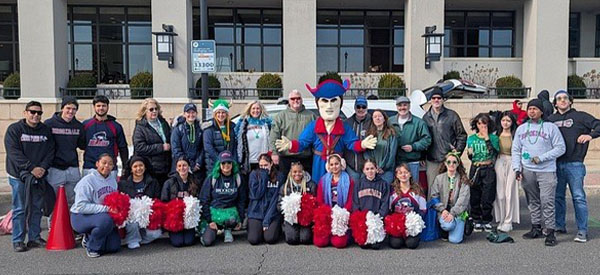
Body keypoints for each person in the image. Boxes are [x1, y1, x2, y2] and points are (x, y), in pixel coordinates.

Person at [275, 79, 377, 182]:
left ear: (340, 103)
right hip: (319, 165)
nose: (329, 106)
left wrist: (362, 144)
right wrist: (291, 145)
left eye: (333, 101)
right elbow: (303, 143)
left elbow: (352, 143)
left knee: (338, 191)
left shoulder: (343, 126)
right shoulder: (314, 126)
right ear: (318, 103)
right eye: (325, 101)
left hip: (337, 165)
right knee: (319, 188)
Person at [512, 98, 565, 246]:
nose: (532, 111)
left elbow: (561, 148)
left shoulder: (551, 127)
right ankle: (536, 227)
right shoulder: (522, 129)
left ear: (541, 111)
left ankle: (550, 232)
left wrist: (542, 158)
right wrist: (517, 168)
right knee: (532, 200)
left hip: (546, 171)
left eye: (535, 109)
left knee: (547, 201)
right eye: (530, 109)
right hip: (527, 170)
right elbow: (516, 149)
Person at [549, 90, 600, 243]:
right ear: (555, 103)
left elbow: (598, 125)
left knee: (578, 197)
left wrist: (590, 135)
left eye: (565, 98)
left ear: (570, 101)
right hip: (555, 164)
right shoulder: (550, 120)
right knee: (558, 197)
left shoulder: (581, 116)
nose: (562, 100)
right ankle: (559, 225)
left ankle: (582, 230)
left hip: (575, 164)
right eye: (559, 99)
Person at [4, 101, 55, 252]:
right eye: (32, 112)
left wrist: (42, 169)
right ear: (25, 113)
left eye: (39, 113)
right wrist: (31, 168)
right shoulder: (14, 130)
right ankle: (18, 240)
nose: (35, 115)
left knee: (37, 207)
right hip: (18, 176)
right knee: (20, 208)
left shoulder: (45, 131)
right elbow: (13, 153)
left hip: (39, 176)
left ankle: (34, 238)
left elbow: (50, 151)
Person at [70, 154, 120, 258]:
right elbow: (80, 206)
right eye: (104, 163)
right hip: (80, 216)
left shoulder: (113, 180)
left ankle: (89, 237)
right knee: (106, 221)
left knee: (114, 247)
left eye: (110, 164)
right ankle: (92, 247)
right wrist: (106, 209)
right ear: (97, 164)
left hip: (101, 216)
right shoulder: (87, 181)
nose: (107, 166)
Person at [423, 88, 467, 199]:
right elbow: (423, 139)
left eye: (439, 98)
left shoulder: (452, 116)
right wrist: (422, 156)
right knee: (432, 190)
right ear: (430, 100)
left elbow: (462, 135)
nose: (436, 100)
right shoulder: (425, 118)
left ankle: (449, 214)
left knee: (449, 189)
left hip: (448, 159)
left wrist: (457, 153)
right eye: (434, 98)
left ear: (443, 100)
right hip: (432, 159)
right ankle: (433, 215)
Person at [44, 96, 85, 206]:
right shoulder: (49, 124)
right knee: (54, 201)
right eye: (68, 108)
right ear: (62, 108)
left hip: (73, 168)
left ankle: (71, 223)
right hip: (55, 169)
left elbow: (83, 145)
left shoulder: (79, 126)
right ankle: (53, 224)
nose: (70, 111)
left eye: (74, 109)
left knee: (73, 201)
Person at [200, 151, 247, 246]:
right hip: (214, 213)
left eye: (229, 162)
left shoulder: (238, 178)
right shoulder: (212, 178)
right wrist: (209, 220)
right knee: (207, 242)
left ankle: (227, 229)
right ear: (219, 164)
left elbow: (242, 200)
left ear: (233, 164)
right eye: (223, 163)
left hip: (230, 214)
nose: (226, 165)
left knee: (232, 219)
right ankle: (209, 230)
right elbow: (204, 200)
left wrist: (240, 219)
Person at [118, 156, 162, 249]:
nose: (138, 168)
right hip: (132, 216)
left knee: (156, 234)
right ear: (131, 169)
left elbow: (157, 199)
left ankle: (141, 238)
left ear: (145, 167)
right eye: (135, 166)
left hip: (147, 215)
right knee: (133, 224)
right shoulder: (123, 183)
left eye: (141, 165)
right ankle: (133, 239)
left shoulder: (153, 182)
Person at [269, 89, 317, 176]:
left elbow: (317, 136)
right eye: (293, 98)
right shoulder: (281, 116)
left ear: (302, 100)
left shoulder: (311, 116)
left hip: (306, 158)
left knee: (306, 185)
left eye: (298, 98)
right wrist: (274, 153)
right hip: (286, 158)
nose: (296, 100)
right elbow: (274, 135)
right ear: (289, 101)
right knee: (286, 185)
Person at [466, 113, 499, 232]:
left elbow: (494, 152)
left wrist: (486, 138)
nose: (482, 126)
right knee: (475, 194)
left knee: (488, 194)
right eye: (479, 123)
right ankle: (476, 219)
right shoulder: (472, 138)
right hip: (476, 167)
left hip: (488, 166)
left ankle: (486, 219)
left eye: (484, 123)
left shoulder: (493, 138)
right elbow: (470, 155)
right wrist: (470, 154)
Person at [82, 95, 128, 178]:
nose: (101, 108)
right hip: (90, 167)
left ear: (108, 107)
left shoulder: (116, 126)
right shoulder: (86, 125)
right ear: (94, 107)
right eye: (98, 106)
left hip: (110, 168)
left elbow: (123, 148)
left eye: (104, 106)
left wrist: (125, 166)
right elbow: (81, 144)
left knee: (110, 191)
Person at [429, 152, 471, 244]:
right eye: (449, 162)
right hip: (444, 210)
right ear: (445, 163)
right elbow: (434, 196)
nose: (451, 164)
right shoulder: (439, 178)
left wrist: (453, 213)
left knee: (455, 240)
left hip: (458, 212)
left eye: (454, 162)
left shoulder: (463, 179)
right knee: (447, 225)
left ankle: (459, 226)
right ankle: (447, 229)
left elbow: (463, 200)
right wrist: (442, 210)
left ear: (458, 164)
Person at [389, 96, 431, 184]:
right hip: (396, 162)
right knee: (397, 189)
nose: (402, 108)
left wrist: (413, 147)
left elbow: (427, 139)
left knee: (413, 188)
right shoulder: (390, 122)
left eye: (405, 105)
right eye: (400, 105)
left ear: (409, 106)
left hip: (412, 162)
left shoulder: (419, 122)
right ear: (396, 107)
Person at [314, 154, 354, 248]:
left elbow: (350, 200)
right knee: (320, 242)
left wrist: (342, 213)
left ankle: (345, 233)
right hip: (328, 212)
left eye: (336, 164)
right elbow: (320, 200)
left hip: (341, 213)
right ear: (328, 166)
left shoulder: (349, 180)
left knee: (339, 243)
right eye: (331, 164)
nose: (334, 167)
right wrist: (328, 212)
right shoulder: (323, 180)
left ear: (341, 164)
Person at [161, 157, 200, 247]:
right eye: (179, 166)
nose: (182, 168)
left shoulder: (194, 181)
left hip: (189, 218)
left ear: (188, 167)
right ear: (176, 168)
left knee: (189, 242)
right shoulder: (169, 182)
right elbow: (164, 201)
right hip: (175, 218)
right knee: (178, 243)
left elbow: (198, 199)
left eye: (184, 165)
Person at [247, 153, 284, 245]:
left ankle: (276, 229)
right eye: (261, 166)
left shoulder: (280, 176)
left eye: (265, 165)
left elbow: (276, 199)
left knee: (270, 238)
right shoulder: (254, 175)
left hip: (272, 212)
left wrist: (267, 220)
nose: (263, 168)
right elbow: (255, 195)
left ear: (271, 163)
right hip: (257, 212)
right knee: (254, 240)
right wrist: (263, 177)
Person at [133, 98, 172, 185]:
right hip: (151, 169)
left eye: (156, 109)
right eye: (151, 109)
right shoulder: (141, 127)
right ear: (144, 111)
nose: (154, 111)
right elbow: (139, 147)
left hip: (165, 167)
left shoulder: (163, 123)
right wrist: (161, 147)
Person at [352, 159, 389, 249]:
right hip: (363, 220)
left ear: (376, 169)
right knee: (363, 245)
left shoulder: (383, 184)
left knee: (375, 246)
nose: (370, 171)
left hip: (376, 220)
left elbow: (385, 203)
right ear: (364, 171)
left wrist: (379, 217)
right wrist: (360, 218)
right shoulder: (358, 184)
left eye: (372, 168)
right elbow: (355, 202)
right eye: (367, 169)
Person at [388, 163, 427, 249]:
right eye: (400, 173)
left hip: (412, 226)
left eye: (406, 172)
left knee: (411, 244)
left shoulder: (417, 190)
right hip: (398, 225)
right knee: (396, 244)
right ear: (397, 176)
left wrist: (415, 221)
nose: (403, 175)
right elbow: (389, 210)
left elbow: (423, 209)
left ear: (410, 174)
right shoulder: (393, 191)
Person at [278, 162, 317, 245]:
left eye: (299, 171)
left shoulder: (311, 185)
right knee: (291, 240)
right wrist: (287, 207)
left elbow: (315, 203)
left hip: (305, 219)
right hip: (291, 219)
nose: (297, 174)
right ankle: (287, 227)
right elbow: (279, 205)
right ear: (291, 173)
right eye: (294, 172)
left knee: (305, 239)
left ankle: (305, 230)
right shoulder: (285, 187)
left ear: (303, 172)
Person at [493, 111, 520, 232]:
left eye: (508, 121)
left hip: (512, 162)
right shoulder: (495, 134)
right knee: (500, 193)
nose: (505, 123)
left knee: (510, 192)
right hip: (499, 161)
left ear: (512, 122)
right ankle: (501, 218)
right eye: (503, 120)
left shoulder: (516, 135)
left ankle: (508, 221)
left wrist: (519, 168)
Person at [235, 100, 272, 176]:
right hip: (248, 162)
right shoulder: (243, 124)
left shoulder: (266, 124)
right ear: (249, 110)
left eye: (258, 108)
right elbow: (237, 138)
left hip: (263, 162)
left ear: (261, 110)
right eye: (253, 108)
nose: (256, 111)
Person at [171, 103, 204, 180]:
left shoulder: (200, 129)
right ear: (184, 114)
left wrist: (198, 163)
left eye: (193, 112)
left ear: (196, 114)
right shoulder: (178, 129)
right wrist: (188, 164)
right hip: (183, 167)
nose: (191, 115)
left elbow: (203, 148)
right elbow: (176, 149)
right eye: (188, 112)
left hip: (197, 168)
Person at [203, 99, 237, 173]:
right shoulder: (209, 127)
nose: (221, 115)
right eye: (218, 112)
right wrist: (221, 160)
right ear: (215, 113)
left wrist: (232, 161)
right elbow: (208, 147)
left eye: (223, 112)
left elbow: (233, 146)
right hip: (213, 163)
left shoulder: (232, 127)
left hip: (228, 164)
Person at [343, 96, 372, 182]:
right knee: (353, 192)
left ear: (367, 108)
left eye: (363, 107)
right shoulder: (347, 123)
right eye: (358, 106)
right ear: (355, 108)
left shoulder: (372, 122)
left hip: (368, 166)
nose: (361, 109)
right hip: (351, 166)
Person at [364, 109, 397, 183]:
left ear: (384, 119)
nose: (377, 118)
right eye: (375, 117)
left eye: (379, 116)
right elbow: (366, 153)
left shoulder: (391, 133)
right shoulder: (369, 134)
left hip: (386, 171)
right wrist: (373, 167)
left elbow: (392, 153)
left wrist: (383, 167)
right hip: (372, 170)